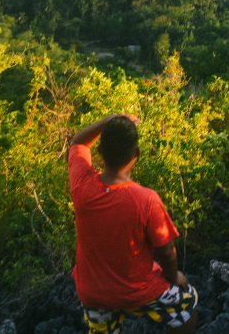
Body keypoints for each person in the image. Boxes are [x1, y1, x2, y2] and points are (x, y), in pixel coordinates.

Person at [68, 114, 198, 333]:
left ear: (100, 152)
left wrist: (110, 120)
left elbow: (79, 142)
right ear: (136, 154)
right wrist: (173, 275)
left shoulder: (82, 186)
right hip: (138, 291)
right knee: (188, 303)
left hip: (93, 293)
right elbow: (166, 252)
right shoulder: (146, 200)